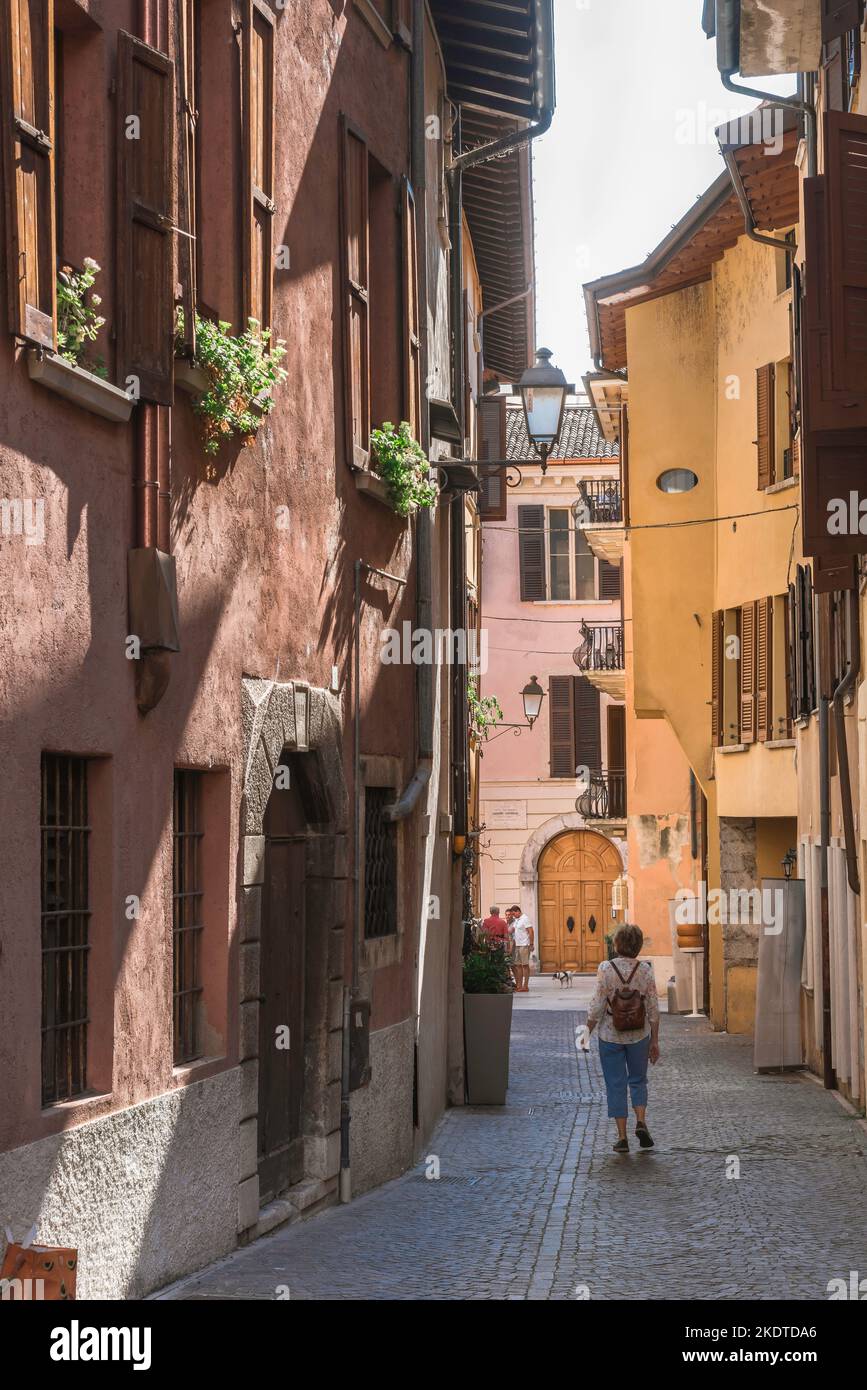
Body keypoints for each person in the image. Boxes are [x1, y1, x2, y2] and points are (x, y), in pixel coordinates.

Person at [586, 923, 660, 1153]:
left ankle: (622, 1138)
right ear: (637, 945)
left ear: (617, 944)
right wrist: (655, 1041)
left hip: (610, 1035)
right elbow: (653, 1008)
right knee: (638, 1080)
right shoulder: (646, 970)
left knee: (616, 1084)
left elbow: (597, 1005)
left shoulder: (605, 969)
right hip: (639, 1035)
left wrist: (586, 1032)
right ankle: (641, 1121)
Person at [508, 905, 534, 992]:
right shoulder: (516, 920)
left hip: (524, 945)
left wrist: (531, 944)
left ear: (518, 911)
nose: (513, 915)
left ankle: (525, 986)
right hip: (518, 945)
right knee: (518, 965)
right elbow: (511, 930)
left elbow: (531, 931)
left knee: (525, 965)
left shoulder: (525, 918)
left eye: (514, 913)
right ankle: (519, 985)